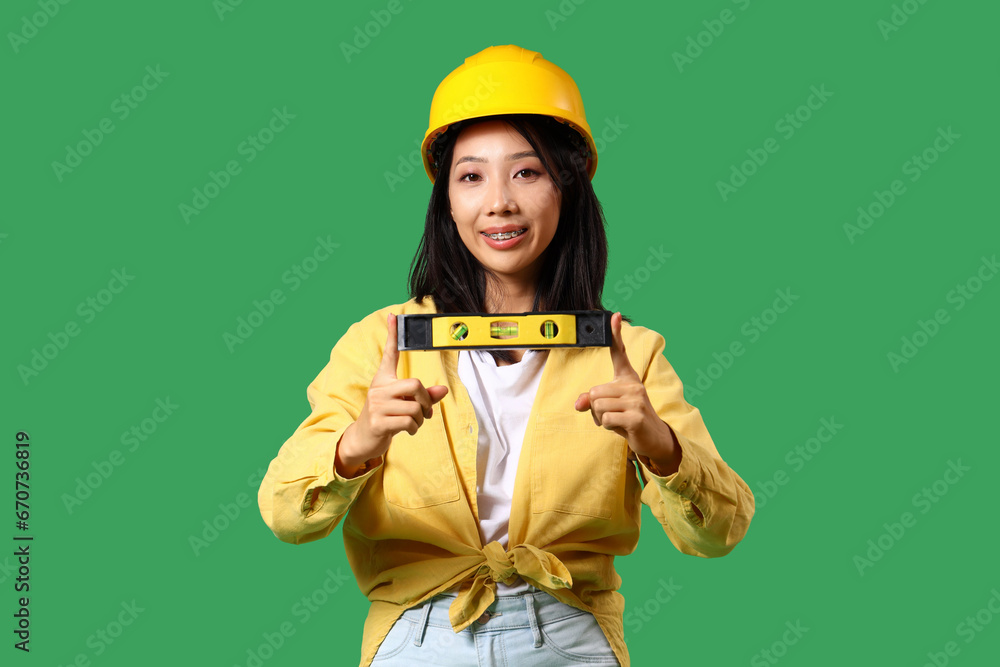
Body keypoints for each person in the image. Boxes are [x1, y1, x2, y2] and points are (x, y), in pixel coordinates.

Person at [257, 44, 754, 667]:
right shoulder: (381, 342)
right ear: (447, 201)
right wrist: (358, 442)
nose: (498, 202)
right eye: (470, 176)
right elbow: (284, 513)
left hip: (571, 637)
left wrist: (657, 442)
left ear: (566, 187)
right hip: (417, 636)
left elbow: (719, 533)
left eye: (527, 172)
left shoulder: (630, 351)